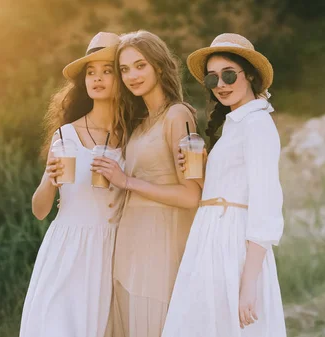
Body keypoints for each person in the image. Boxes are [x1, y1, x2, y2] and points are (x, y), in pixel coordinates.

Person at [161, 33, 286, 337]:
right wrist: (201, 169)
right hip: (210, 237)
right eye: (212, 79)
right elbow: (223, 191)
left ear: (251, 76)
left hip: (235, 244)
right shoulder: (235, 125)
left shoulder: (257, 125)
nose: (221, 84)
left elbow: (265, 204)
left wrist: (249, 282)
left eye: (229, 74)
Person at [91, 30, 202, 337]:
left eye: (140, 65)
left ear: (160, 67)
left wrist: (127, 181)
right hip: (130, 245)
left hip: (161, 247)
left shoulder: (178, 116)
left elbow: (192, 195)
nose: (132, 76)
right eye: (124, 69)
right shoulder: (139, 123)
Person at [20, 32, 125, 337]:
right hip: (68, 247)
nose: (98, 79)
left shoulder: (134, 136)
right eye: (91, 72)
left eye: (108, 71)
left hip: (114, 248)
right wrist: (50, 182)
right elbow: (39, 210)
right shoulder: (65, 136)